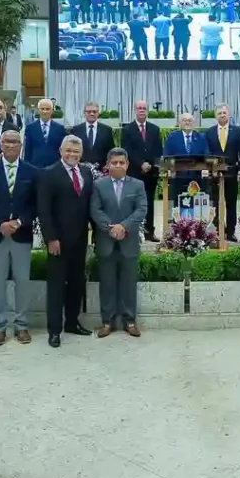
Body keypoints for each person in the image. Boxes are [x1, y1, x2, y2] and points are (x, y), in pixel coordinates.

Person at [0, 130, 37, 346]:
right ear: (0, 144)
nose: (11, 145)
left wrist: (19, 222)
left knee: (22, 281)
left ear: (21, 145)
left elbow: (35, 204)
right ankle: (0, 326)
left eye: (15, 142)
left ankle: (22, 325)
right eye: (6, 141)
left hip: (21, 234)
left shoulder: (31, 171)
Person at [37, 135, 94, 348]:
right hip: (58, 241)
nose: (72, 154)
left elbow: (89, 205)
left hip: (80, 239)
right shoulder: (49, 174)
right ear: (61, 151)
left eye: (76, 151)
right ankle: (54, 330)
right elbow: (44, 210)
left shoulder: (86, 172)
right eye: (68, 150)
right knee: (57, 285)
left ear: (81, 153)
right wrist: (51, 238)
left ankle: (72, 322)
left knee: (77, 282)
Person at [90, 148, 148, 338]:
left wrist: (123, 227)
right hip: (106, 242)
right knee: (107, 284)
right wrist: (110, 228)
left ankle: (129, 321)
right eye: (114, 162)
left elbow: (141, 210)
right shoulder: (99, 185)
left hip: (128, 242)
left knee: (129, 284)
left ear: (127, 164)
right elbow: (95, 210)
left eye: (121, 163)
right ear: (108, 165)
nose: (118, 166)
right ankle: (107, 322)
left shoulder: (137, 185)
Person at [121, 100, 163, 242]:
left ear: (147, 111)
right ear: (135, 110)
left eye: (144, 108)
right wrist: (140, 164)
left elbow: (158, 150)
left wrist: (151, 164)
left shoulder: (155, 129)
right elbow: (127, 151)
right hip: (134, 172)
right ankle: (134, 232)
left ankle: (149, 232)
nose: (141, 110)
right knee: (134, 203)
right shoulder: (127, 130)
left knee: (149, 203)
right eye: (139, 108)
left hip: (151, 174)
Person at [204, 104, 240, 242]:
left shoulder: (237, 131)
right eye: (219, 113)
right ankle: (217, 231)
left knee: (231, 203)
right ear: (215, 116)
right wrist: (210, 168)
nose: (222, 115)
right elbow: (206, 152)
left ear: (228, 115)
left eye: (224, 112)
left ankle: (230, 232)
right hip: (215, 173)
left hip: (232, 172)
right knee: (215, 203)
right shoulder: (209, 132)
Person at [163, 113, 209, 198]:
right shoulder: (172, 137)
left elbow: (207, 155)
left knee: (196, 207)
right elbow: (166, 155)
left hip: (197, 178)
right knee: (177, 207)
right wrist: (169, 169)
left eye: (190, 120)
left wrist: (205, 168)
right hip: (177, 178)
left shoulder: (201, 137)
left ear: (194, 123)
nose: (187, 123)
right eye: (184, 120)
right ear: (180, 123)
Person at [23, 99, 68, 169]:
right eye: (42, 109)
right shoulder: (30, 128)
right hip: (35, 167)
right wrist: (26, 167)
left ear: (52, 111)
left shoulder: (60, 128)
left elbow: (62, 149)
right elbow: (27, 150)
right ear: (38, 110)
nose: (45, 111)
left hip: (55, 167)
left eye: (47, 109)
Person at [71, 101, 115, 168]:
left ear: (98, 113)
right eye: (89, 112)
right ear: (84, 113)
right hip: (81, 168)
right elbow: (72, 149)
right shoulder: (76, 130)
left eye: (94, 111)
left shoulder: (107, 130)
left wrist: (108, 164)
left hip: (102, 169)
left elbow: (111, 150)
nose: (92, 114)